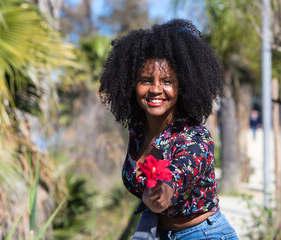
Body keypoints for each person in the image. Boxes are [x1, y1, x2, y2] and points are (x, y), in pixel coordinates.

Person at [99, 19, 239, 240]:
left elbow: (179, 173)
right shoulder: (138, 130)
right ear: (131, 85)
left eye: (167, 81)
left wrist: (163, 191)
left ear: (182, 86)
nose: (156, 89)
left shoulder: (194, 137)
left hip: (203, 234)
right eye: (146, 80)